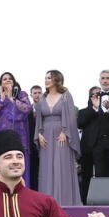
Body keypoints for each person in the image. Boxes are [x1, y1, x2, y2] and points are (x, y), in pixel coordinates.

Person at [34, 69, 81, 205]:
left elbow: (71, 117)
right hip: (46, 137)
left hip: (62, 136)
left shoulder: (66, 95)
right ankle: (47, 203)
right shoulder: (42, 98)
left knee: (62, 167)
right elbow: (38, 120)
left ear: (56, 79)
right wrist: (39, 134)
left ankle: (64, 202)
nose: (46, 80)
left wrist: (65, 132)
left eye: (49, 77)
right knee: (47, 169)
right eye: (46, 77)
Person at [0, 72, 33, 186]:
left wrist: (12, 99)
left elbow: (27, 108)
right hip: (2, 138)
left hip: (20, 137)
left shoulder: (21, 95)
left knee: (20, 165)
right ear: (0, 83)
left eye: (10, 79)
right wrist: (2, 101)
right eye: (4, 79)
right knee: (3, 165)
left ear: (14, 82)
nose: (7, 81)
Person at [77, 87, 104, 202]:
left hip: (103, 147)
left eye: (99, 94)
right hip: (87, 147)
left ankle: (101, 199)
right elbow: (80, 123)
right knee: (86, 175)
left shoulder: (107, 111)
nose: (96, 97)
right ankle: (85, 199)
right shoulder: (84, 111)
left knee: (101, 175)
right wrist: (94, 108)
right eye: (93, 95)